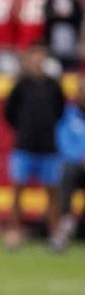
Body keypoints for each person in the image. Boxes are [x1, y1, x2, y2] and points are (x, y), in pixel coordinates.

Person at [3, 46, 65, 250]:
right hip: (24, 145)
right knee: (18, 190)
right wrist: (24, 129)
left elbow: (60, 111)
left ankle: (54, 233)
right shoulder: (21, 85)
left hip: (48, 146)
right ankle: (15, 232)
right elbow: (9, 112)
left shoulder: (53, 86)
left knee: (52, 192)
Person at [51, 78, 85, 252]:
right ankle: (64, 225)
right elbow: (63, 141)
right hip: (75, 166)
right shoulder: (67, 115)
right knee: (67, 173)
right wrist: (79, 158)